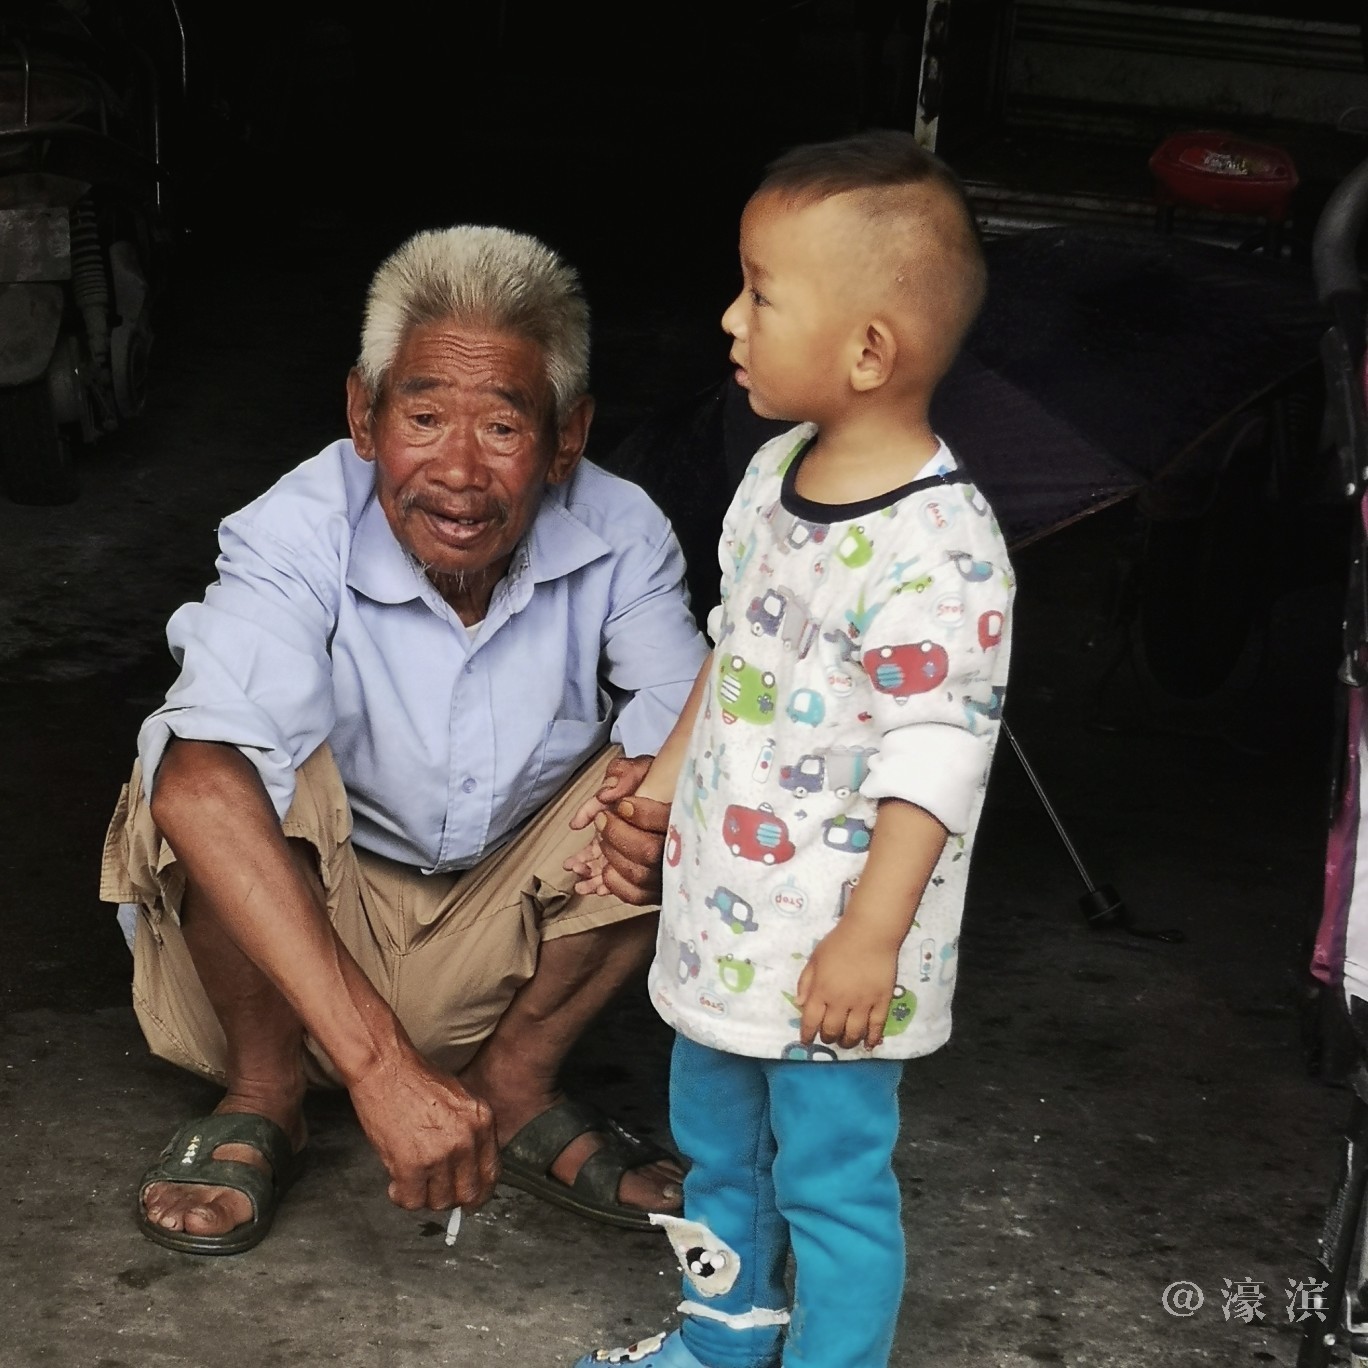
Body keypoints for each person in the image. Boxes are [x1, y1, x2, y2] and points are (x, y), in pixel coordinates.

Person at [99, 223, 710, 1255]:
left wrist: (657, 807)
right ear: (363, 415)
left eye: (504, 427)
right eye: (423, 417)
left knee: (689, 772)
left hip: (494, 950)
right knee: (205, 762)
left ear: (567, 437)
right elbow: (199, 789)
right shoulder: (297, 527)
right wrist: (382, 1069)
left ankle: (514, 1085)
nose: (458, 472)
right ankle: (263, 1094)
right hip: (297, 948)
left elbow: (691, 736)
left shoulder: (623, 532)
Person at [569, 129, 1014, 1368]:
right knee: (717, 1154)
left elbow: (938, 754)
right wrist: (658, 795)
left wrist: (869, 939)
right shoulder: (772, 476)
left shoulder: (943, 550)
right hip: (726, 931)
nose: (729, 318)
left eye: (761, 294)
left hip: (833, 961)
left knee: (830, 1185)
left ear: (869, 350)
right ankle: (724, 1334)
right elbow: (738, 653)